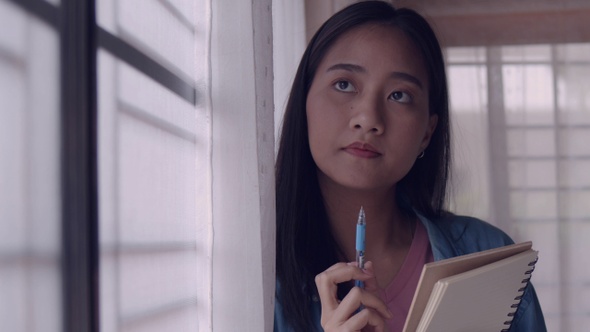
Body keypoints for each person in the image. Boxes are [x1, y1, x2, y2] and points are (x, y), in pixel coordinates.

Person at [274, 1, 546, 331]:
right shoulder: (257, 276)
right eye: (344, 84)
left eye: (399, 95)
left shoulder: (489, 258)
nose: (368, 119)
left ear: (427, 133)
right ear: (304, 101)